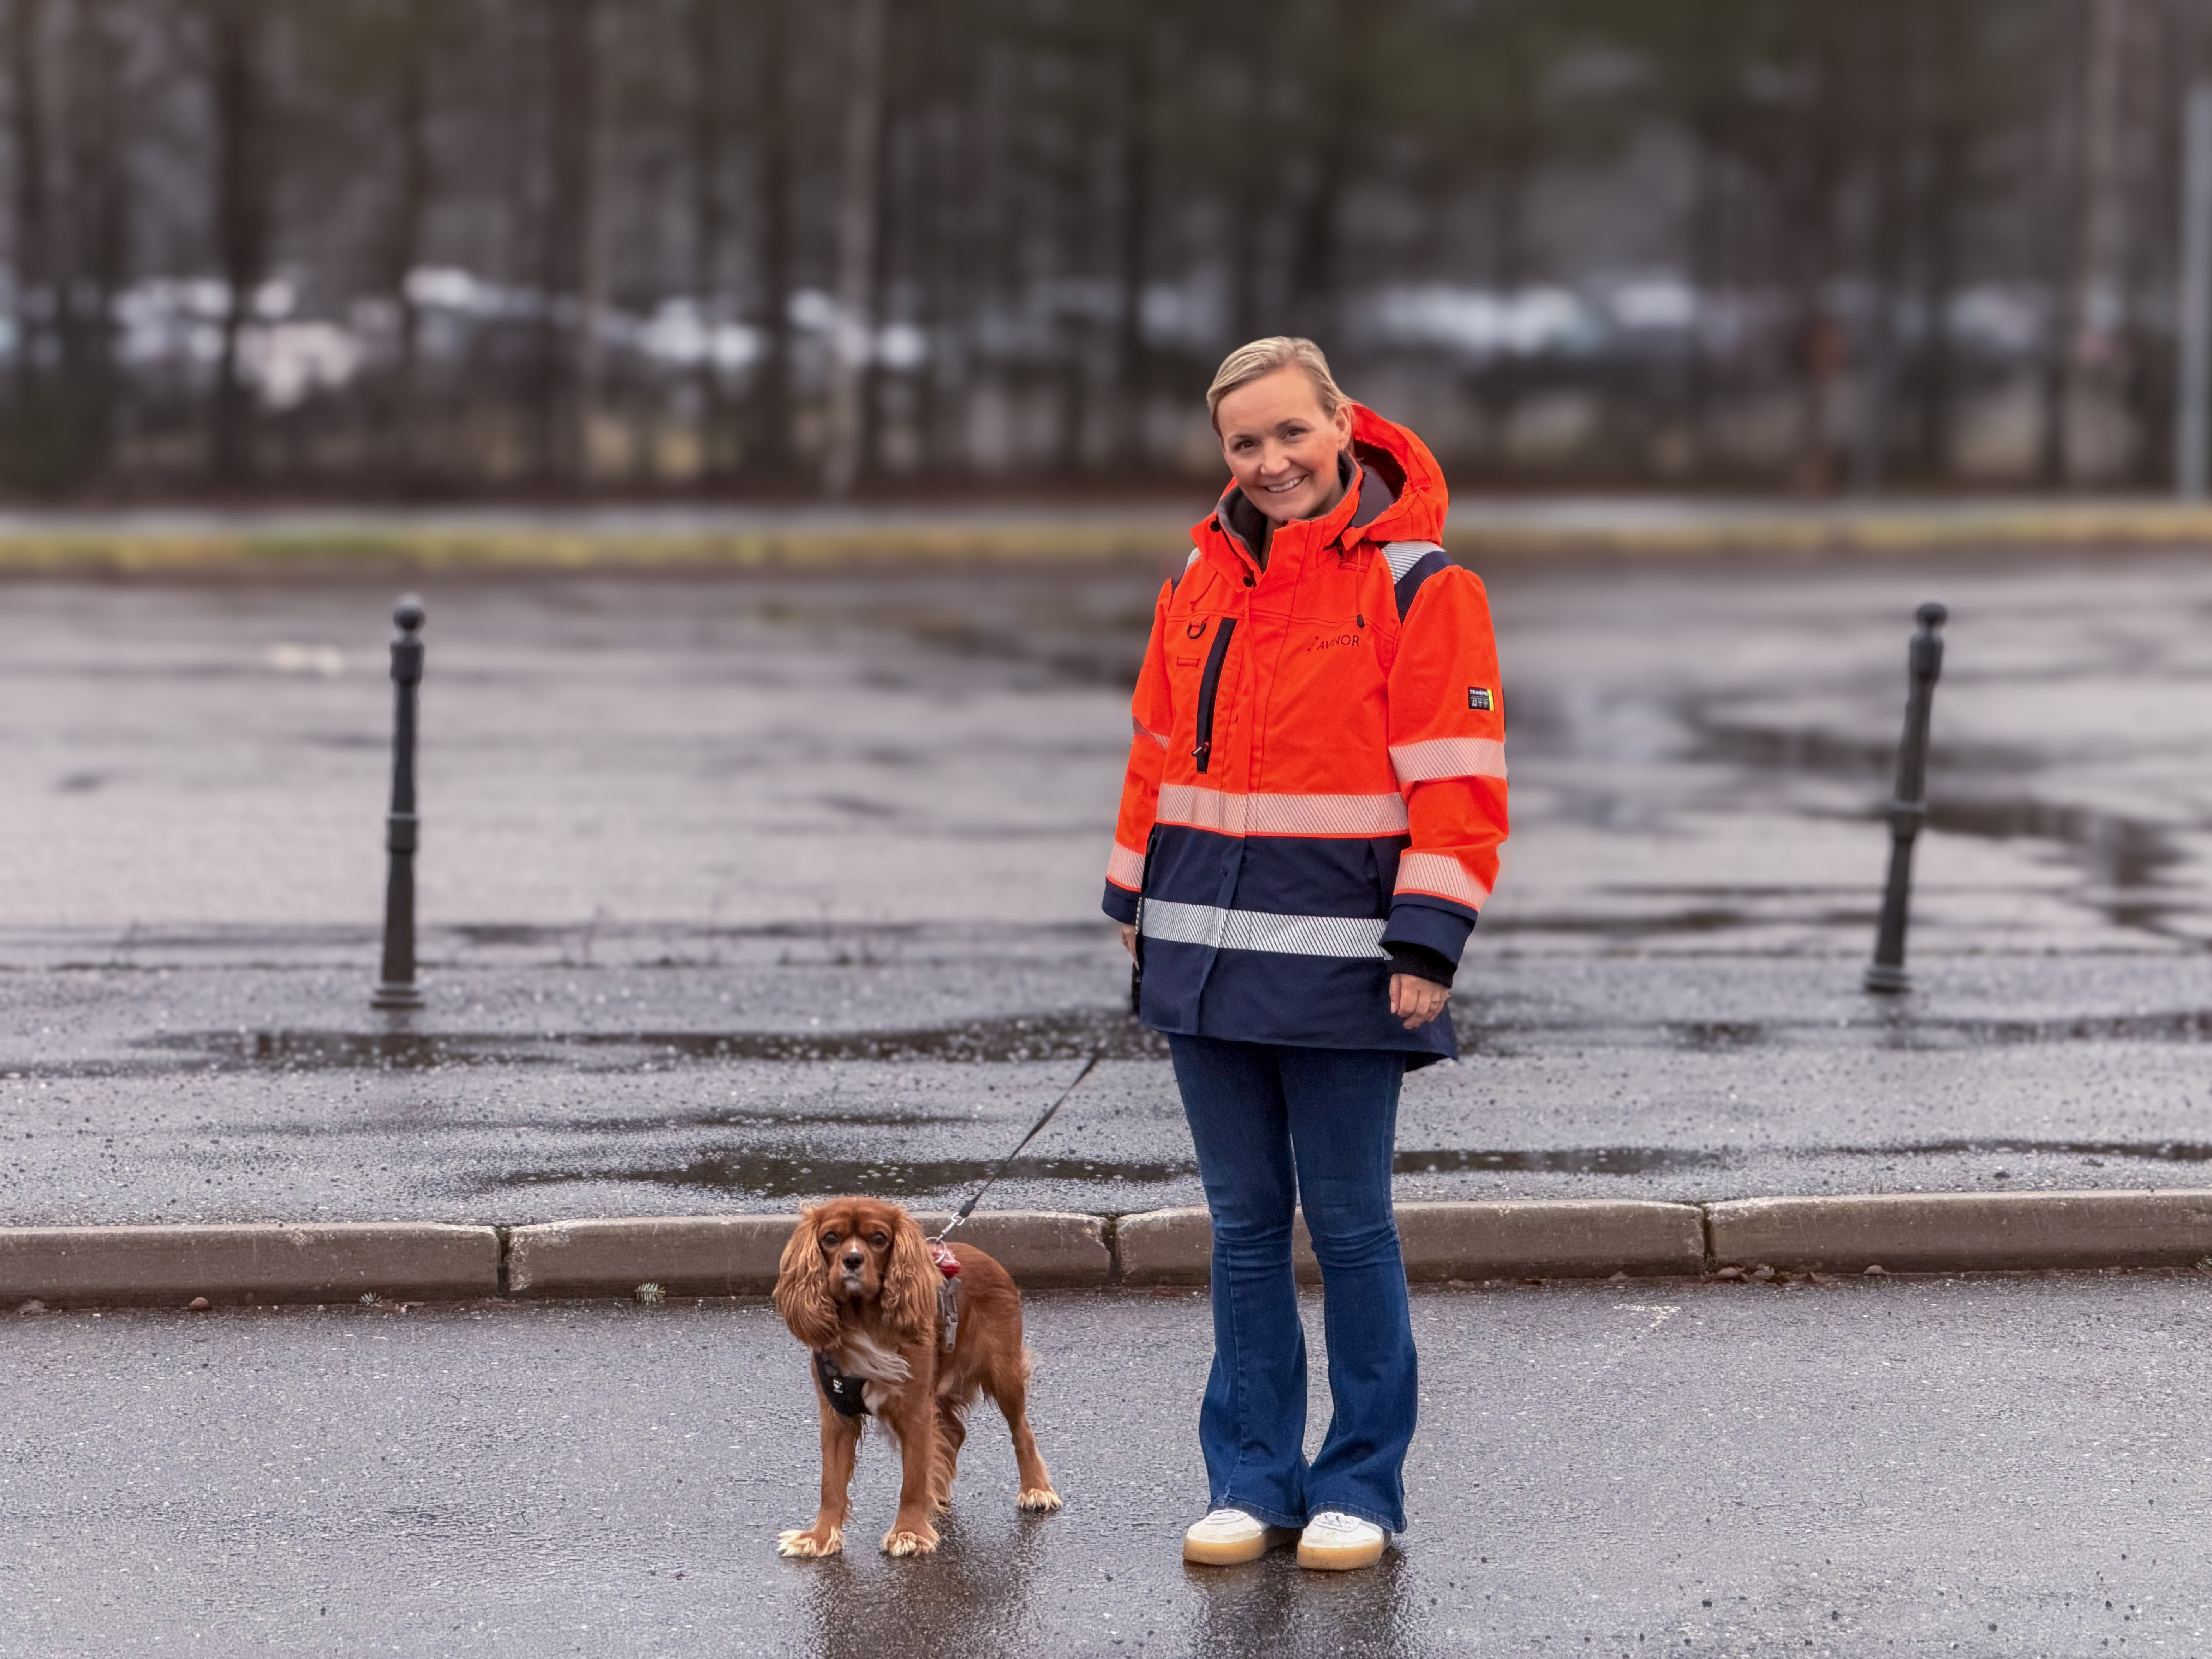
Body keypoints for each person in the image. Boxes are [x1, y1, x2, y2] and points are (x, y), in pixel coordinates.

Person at [1100, 337, 1507, 1571]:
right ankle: (1250, 1477)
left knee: (1351, 1227)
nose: (1270, 462)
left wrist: (1429, 940)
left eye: (1291, 433)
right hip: (1204, 962)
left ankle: (1363, 1486)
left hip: (1349, 962)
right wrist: (1133, 901)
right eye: (1244, 443)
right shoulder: (1200, 578)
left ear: (1344, 427)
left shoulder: (1423, 586)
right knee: (1239, 1227)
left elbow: (1460, 784)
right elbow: (1156, 747)